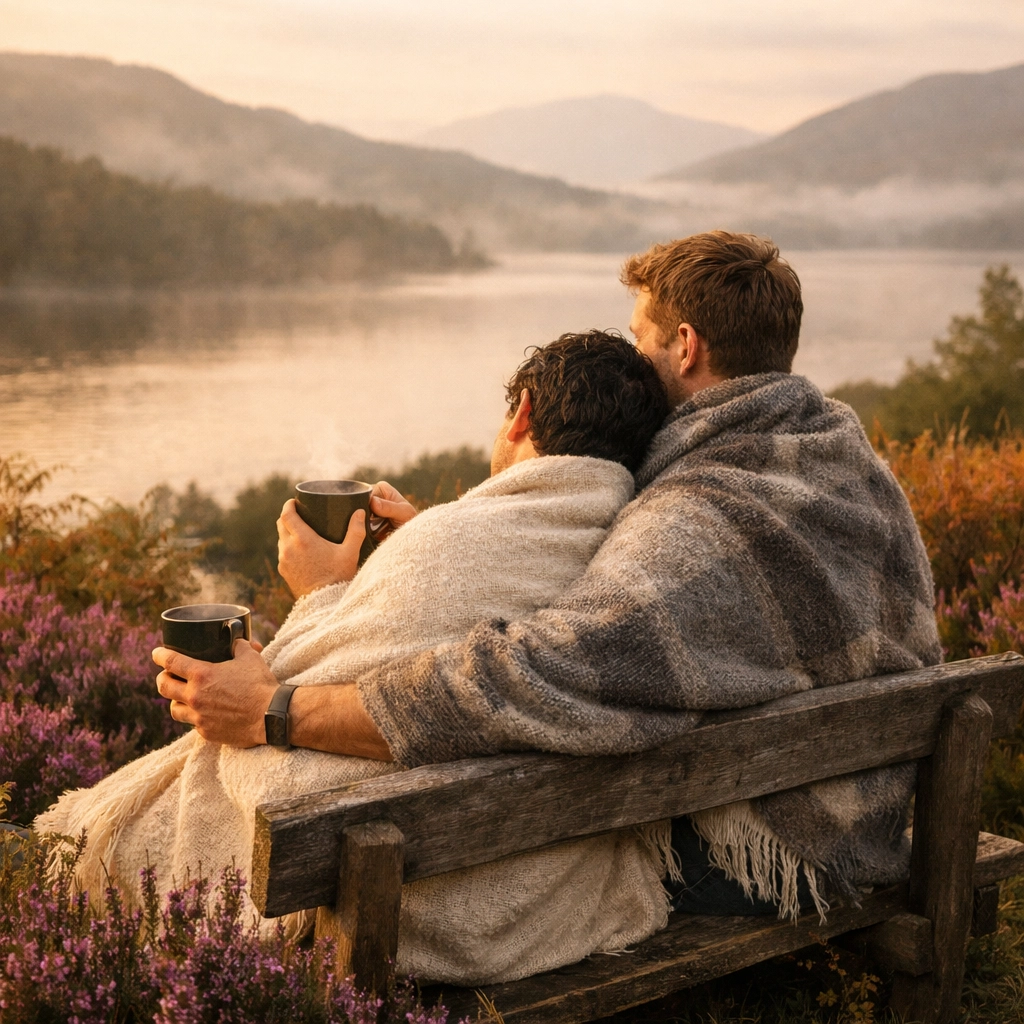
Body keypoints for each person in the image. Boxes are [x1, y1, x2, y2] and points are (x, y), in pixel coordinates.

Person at [150, 230, 941, 922]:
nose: (629, 357)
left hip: (775, 853)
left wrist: (274, 711)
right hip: (864, 804)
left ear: (687, 346)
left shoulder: (701, 510)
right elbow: (681, 612)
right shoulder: (841, 456)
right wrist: (454, 542)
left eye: (641, 338)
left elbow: (538, 674)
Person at [38, 330, 676, 985]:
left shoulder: (446, 545)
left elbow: (283, 691)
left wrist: (321, 591)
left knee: (92, 839)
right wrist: (421, 543)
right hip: (557, 895)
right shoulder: (630, 544)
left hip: (424, 903)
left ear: (523, 415)